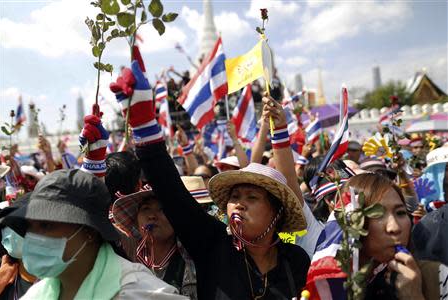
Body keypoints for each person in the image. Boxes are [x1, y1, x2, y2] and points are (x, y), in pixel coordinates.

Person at [109, 56, 311, 299]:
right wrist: (144, 128)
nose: (239, 203)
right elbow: (172, 194)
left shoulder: (296, 261)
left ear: (276, 211)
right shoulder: (213, 245)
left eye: (252, 197)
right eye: (234, 196)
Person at [0, 169, 186, 299]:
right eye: (30, 227)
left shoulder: (140, 292)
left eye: (47, 225)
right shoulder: (38, 295)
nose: (34, 236)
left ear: (89, 232)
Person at [307, 172, 437, 299]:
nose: (395, 228)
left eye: (400, 213)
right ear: (353, 223)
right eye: (378, 215)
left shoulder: (434, 275)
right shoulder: (327, 290)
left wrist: (413, 295)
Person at [112, 178, 211, 300]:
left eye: (162, 209)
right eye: (146, 209)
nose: (152, 216)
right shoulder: (126, 256)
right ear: (136, 220)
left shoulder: (193, 260)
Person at [0, 194, 36, 299]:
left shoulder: (60, 278)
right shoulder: (2, 267)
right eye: (5, 224)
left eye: (17, 224)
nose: (8, 230)